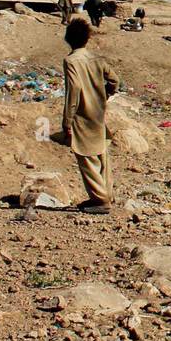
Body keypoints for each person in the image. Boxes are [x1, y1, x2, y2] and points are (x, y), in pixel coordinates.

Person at [61, 19, 119, 214]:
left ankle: (100, 199)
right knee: (101, 153)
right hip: (98, 111)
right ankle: (107, 193)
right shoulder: (96, 59)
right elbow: (114, 79)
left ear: (69, 39)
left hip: (82, 114)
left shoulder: (71, 61)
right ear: (87, 39)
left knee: (86, 156)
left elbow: (74, 89)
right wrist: (106, 93)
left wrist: (67, 121)